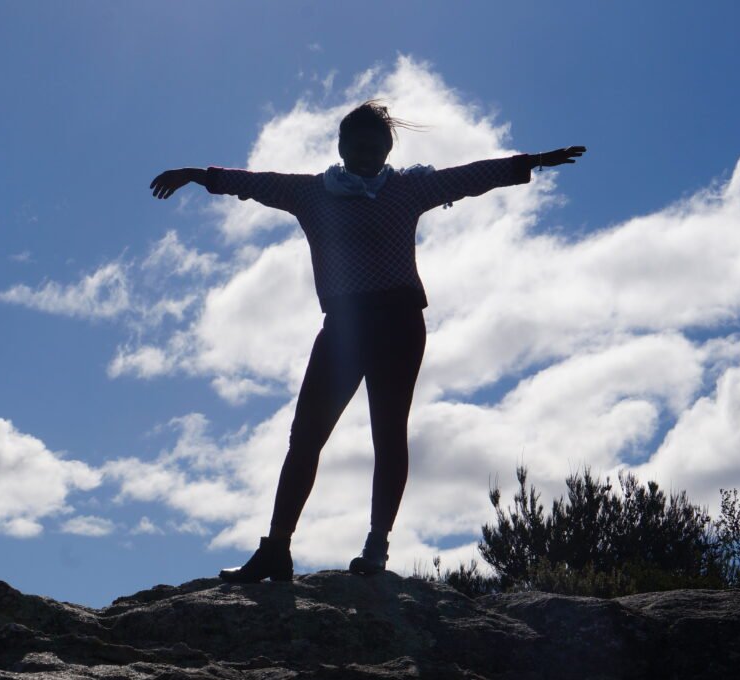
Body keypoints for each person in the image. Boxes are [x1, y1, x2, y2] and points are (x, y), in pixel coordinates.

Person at [150, 100, 585, 582]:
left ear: (388, 149)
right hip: (344, 325)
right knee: (306, 437)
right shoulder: (312, 194)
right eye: (357, 146)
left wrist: (530, 162)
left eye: (376, 147)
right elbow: (252, 183)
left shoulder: (407, 189)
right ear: (340, 147)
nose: (366, 155)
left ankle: (376, 547)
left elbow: (470, 176)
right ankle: (276, 548)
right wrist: (194, 173)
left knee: (388, 433)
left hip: (399, 322)